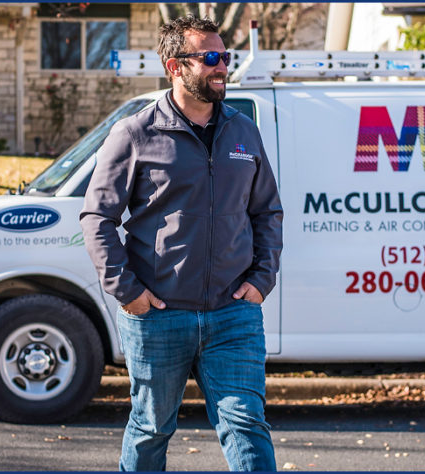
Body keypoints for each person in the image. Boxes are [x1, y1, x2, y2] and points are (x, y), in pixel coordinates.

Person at [79, 15, 282, 472]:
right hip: (159, 317)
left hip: (233, 313)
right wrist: (128, 291)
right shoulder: (135, 133)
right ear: (175, 67)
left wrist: (261, 280)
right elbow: (97, 217)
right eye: (210, 58)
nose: (221, 67)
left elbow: (267, 211)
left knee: (246, 424)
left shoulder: (243, 131)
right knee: (151, 428)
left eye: (224, 57)